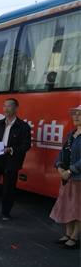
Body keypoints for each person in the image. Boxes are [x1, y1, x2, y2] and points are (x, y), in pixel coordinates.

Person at [50, 104, 81, 249]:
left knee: (77, 208)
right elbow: (62, 153)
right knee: (67, 206)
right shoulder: (71, 134)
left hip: (77, 178)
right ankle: (68, 234)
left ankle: (75, 237)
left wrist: (71, 170)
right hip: (66, 177)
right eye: (75, 114)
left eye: (79, 114)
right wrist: (59, 167)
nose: (76, 116)